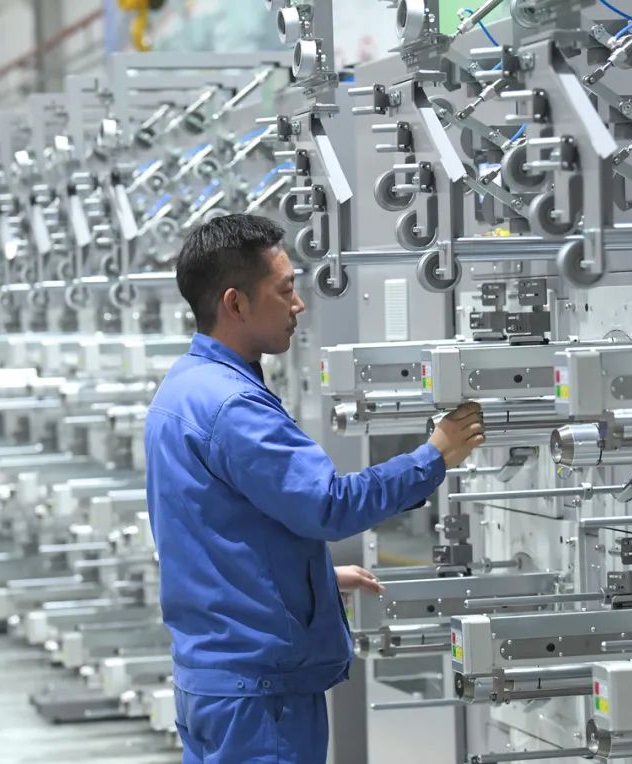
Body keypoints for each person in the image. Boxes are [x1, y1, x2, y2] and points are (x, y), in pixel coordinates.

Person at [144, 214, 484, 763]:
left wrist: (311, 578)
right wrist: (433, 456)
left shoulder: (183, 388)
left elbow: (215, 532)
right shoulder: (234, 406)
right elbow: (328, 505)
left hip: (212, 681)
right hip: (260, 697)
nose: (298, 305)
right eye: (284, 291)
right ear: (236, 303)